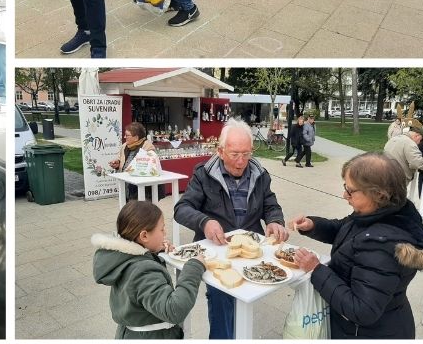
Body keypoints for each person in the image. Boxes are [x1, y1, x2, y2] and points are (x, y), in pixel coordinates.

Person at [289, 153, 423, 338]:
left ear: (378, 194)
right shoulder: (384, 212)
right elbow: (346, 229)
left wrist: (316, 270)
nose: (344, 195)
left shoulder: (381, 246)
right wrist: (313, 225)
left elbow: (362, 310)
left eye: (350, 190)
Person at [173, 119, 288, 339]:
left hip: (249, 251)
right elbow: (181, 209)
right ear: (220, 151)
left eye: (247, 154)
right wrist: (204, 222)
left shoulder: (260, 174)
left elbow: (270, 204)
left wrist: (275, 220)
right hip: (218, 251)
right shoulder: (203, 174)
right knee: (221, 298)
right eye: (235, 154)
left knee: (243, 300)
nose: (241, 162)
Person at [93, 201, 206, 340]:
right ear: (144, 236)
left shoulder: (123, 258)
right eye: (162, 229)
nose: (165, 232)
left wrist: (152, 251)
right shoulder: (143, 271)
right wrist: (194, 267)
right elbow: (174, 310)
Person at [107, 122, 157, 200]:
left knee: (139, 210)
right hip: (126, 186)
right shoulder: (124, 146)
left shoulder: (147, 148)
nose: (124, 137)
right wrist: (118, 165)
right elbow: (123, 162)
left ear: (136, 137)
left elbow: (147, 168)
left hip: (141, 189)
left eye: (127, 135)